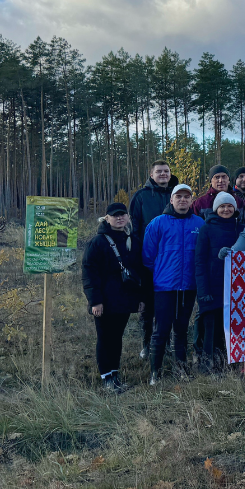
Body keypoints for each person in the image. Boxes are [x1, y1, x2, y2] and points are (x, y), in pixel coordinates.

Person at [142, 183, 205, 385]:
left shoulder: (199, 224)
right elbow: (148, 257)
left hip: (188, 287)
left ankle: (181, 368)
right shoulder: (158, 223)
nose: (183, 200)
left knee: (181, 329)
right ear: (171, 199)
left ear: (191, 200)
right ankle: (155, 373)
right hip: (164, 288)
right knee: (160, 330)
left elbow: (202, 256)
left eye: (187, 197)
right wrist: (162, 274)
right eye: (179, 196)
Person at [82, 202, 145, 392]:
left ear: (127, 217)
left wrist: (141, 299)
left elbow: (141, 271)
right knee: (104, 338)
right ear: (106, 218)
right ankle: (106, 378)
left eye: (122, 215)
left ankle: (115, 375)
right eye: (114, 215)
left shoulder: (133, 240)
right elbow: (89, 273)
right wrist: (95, 301)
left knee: (117, 338)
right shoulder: (98, 242)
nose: (119, 218)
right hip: (104, 302)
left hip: (124, 301)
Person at [128, 160, 176, 359]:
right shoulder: (141, 196)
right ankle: (147, 344)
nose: (163, 174)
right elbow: (134, 228)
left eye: (166, 171)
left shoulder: (177, 195)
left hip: (173, 261)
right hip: (148, 260)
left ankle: (170, 343)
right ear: (151, 174)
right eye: (159, 171)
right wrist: (138, 257)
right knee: (148, 306)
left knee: (170, 306)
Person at [193, 192, 241, 371]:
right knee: (210, 328)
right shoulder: (206, 229)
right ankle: (207, 365)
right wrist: (203, 290)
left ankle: (229, 363)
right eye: (222, 206)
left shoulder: (240, 227)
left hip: (235, 288)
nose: (226, 209)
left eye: (229, 206)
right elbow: (199, 260)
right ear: (216, 209)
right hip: (212, 287)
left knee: (230, 328)